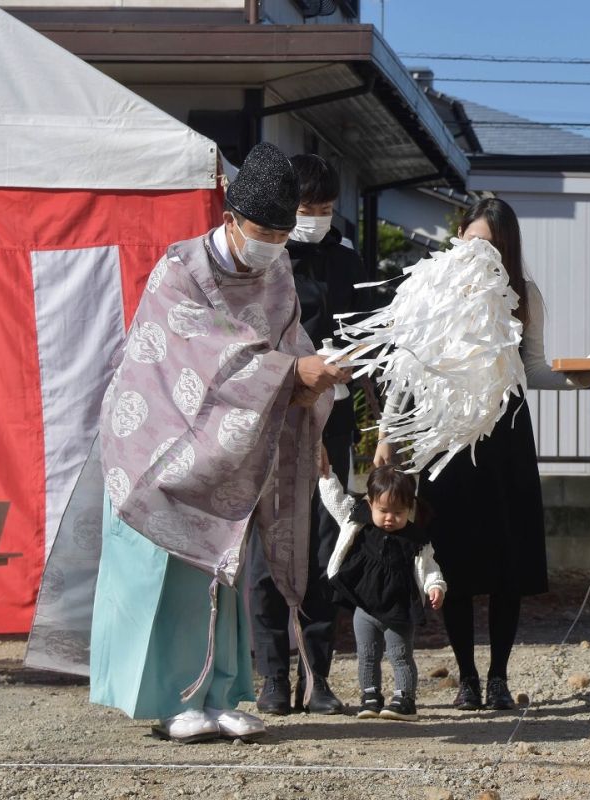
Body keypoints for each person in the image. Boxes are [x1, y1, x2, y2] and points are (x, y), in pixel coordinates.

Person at [89, 142, 349, 744]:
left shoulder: (278, 269)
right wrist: (290, 377)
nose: (272, 246)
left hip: (229, 444)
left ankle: (223, 690)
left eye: (282, 236)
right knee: (171, 576)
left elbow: (287, 341)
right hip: (159, 446)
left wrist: (315, 378)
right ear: (230, 217)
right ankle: (171, 699)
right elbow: (203, 359)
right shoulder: (180, 271)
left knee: (221, 572)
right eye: (263, 232)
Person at [373, 197, 590, 712]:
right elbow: (407, 367)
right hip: (447, 440)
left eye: (491, 244)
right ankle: (466, 678)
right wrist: (387, 437)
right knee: (453, 562)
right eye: (473, 239)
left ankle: (499, 678)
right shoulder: (430, 289)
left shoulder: (522, 294)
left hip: (504, 437)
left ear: (506, 249)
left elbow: (532, 368)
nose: (479, 250)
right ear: (459, 234)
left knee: (507, 564)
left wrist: (581, 378)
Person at [248, 153, 367, 716]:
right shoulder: (264, 259)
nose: (316, 218)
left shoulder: (348, 259)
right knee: (267, 544)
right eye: (305, 209)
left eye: (325, 209)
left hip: (333, 412)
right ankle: (272, 676)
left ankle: (318, 676)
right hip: (272, 410)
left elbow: (373, 336)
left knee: (325, 541)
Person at [318, 464, 445, 722]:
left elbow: (430, 567)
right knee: (366, 654)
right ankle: (370, 696)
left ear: (410, 508)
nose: (389, 518)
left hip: (399, 610)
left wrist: (435, 586)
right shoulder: (358, 522)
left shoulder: (416, 539)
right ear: (370, 503)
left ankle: (404, 698)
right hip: (364, 607)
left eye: (398, 512)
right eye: (383, 511)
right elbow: (335, 500)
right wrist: (327, 475)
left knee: (400, 655)